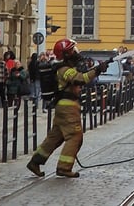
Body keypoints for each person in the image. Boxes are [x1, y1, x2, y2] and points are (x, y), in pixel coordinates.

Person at [26, 37, 106, 179]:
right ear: (66, 54)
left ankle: (35, 162)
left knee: (55, 137)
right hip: (68, 107)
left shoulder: (66, 67)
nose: (76, 52)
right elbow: (80, 79)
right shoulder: (64, 70)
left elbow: (81, 73)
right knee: (75, 136)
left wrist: (96, 68)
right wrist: (97, 71)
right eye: (73, 50)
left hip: (63, 107)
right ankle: (64, 168)